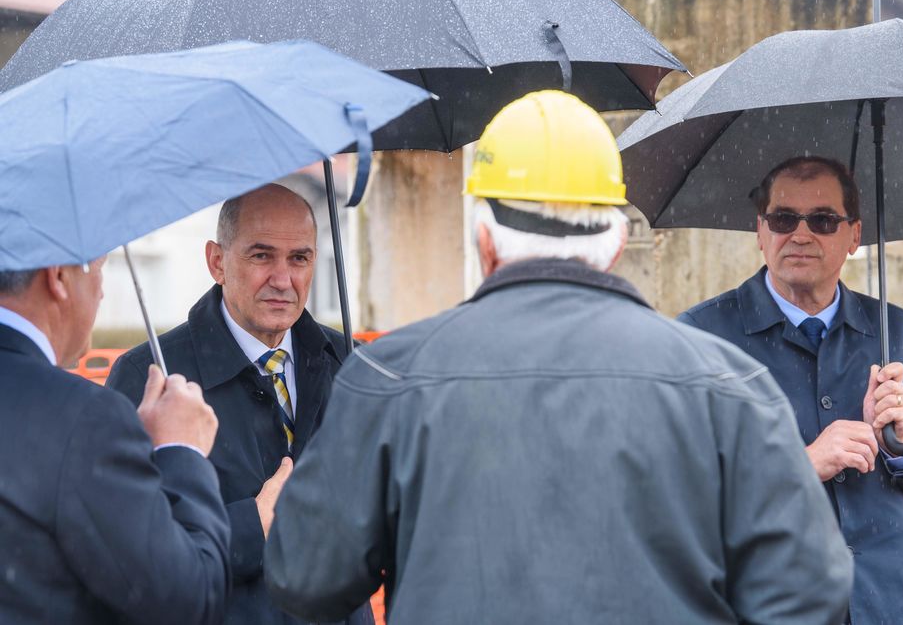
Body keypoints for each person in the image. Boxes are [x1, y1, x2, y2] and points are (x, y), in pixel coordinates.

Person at [263, 91, 853, 624]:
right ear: (615, 242)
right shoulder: (729, 384)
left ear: (484, 238)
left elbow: (307, 578)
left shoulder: (387, 373)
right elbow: (808, 593)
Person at [679, 155, 903, 624]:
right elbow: (681, 496)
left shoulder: (898, 331)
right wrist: (802, 465)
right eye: (783, 218)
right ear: (760, 230)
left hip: (896, 604)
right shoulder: (702, 336)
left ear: (854, 235)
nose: (800, 234)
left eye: (823, 220)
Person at [107, 184, 373, 625]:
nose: (283, 280)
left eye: (299, 258)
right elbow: (128, 550)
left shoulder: (351, 363)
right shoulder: (148, 377)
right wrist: (256, 522)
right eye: (262, 256)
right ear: (217, 262)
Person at [0, 257, 229, 624]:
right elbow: (188, 600)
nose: (102, 291)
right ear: (58, 276)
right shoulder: (82, 417)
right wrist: (181, 450)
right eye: (99, 268)